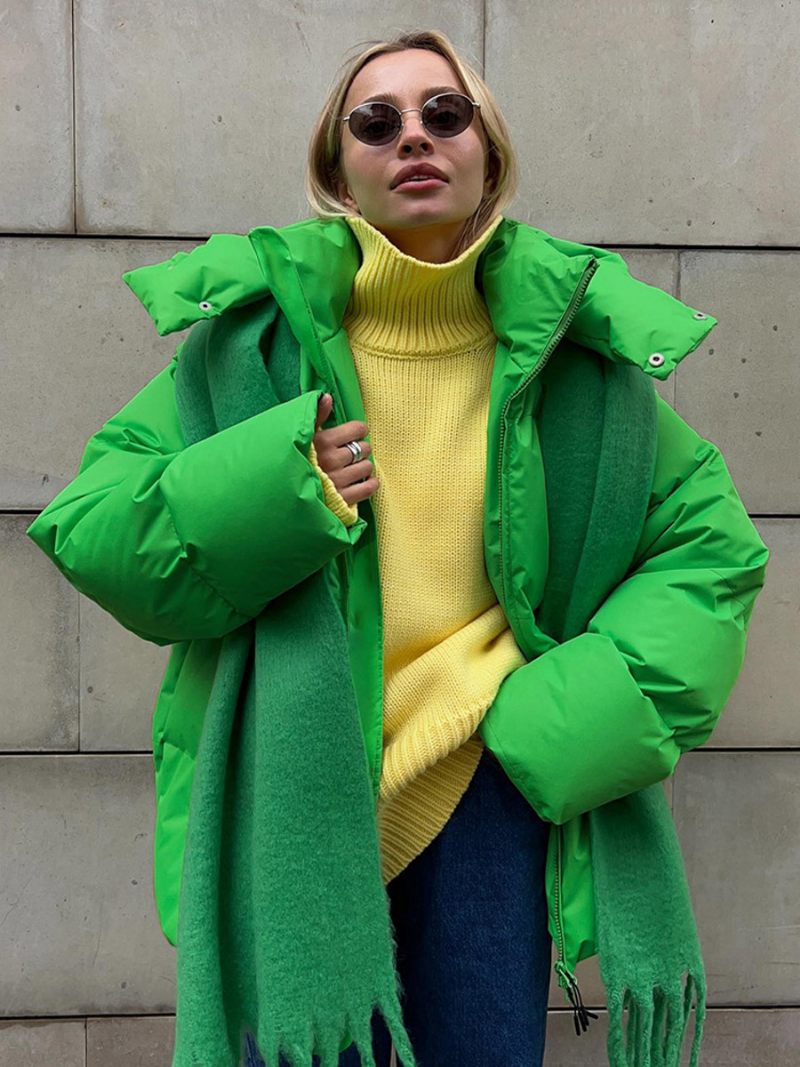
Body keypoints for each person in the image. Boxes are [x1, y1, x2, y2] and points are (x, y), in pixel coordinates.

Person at [26, 28, 770, 1067]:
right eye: (374, 122)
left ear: (487, 152)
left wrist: (554, 721)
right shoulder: (247, 350)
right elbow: (93, 524)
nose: (412, 136)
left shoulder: (576, 362)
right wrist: (278, 487)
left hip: (483, 793)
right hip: (294, 797)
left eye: (442, 113)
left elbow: (711, 550)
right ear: (338, 169)